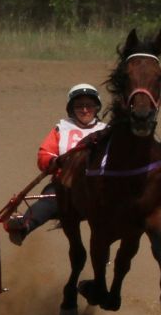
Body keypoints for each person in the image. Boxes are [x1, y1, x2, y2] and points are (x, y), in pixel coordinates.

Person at [8, 84, 105, 245]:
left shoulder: (106, 130)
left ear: (96, 108)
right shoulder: (61, 129)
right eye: (79, 106)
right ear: (71, 109)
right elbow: (44, 154)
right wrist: (53, 162)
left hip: (102, 186)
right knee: (49, 200)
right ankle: (23, 227)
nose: (85, 110)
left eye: (89, 105)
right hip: (66, 185)